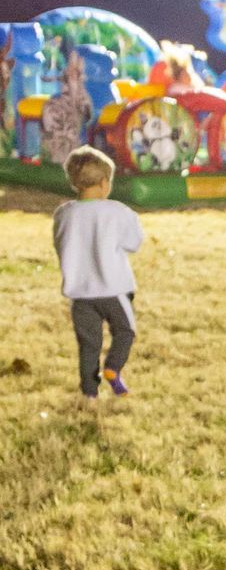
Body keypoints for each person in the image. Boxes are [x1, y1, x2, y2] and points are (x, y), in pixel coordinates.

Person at [53, 147, 143, 397]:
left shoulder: (63, 214)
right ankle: (113, 367)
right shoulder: (118, 212)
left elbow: (61, 244)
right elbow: (134, 242)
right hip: (114, 289)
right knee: (125, 331)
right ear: (104, 183)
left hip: (80, 294)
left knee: (88, 345)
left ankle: (89, 393)